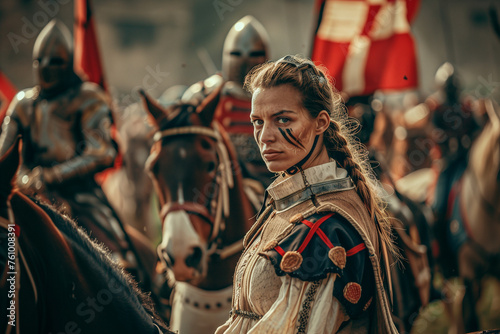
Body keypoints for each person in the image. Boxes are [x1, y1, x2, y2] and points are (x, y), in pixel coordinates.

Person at [215, 55, 398, 333]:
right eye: (258, 122)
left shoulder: (326, 226)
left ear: (321, 123)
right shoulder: (289, 200)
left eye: (283, 120)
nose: (264, 136)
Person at [0, 19, 138, 270]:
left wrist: (51, 175)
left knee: (120, 262)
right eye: (40, 61)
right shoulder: (22, 104)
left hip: (79, 194)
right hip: (27, 193)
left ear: (67, 63)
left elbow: (101, 152)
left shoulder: (88, 97)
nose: (46, 68)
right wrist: (23, 179)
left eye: (54, 62)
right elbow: (5, 154)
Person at [181, 15, 273, 186]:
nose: (246, 60)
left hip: (269, 177)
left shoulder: (277, 94)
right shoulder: (204, 94)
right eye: (237, 54)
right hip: (216, 180)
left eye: (255, 54)